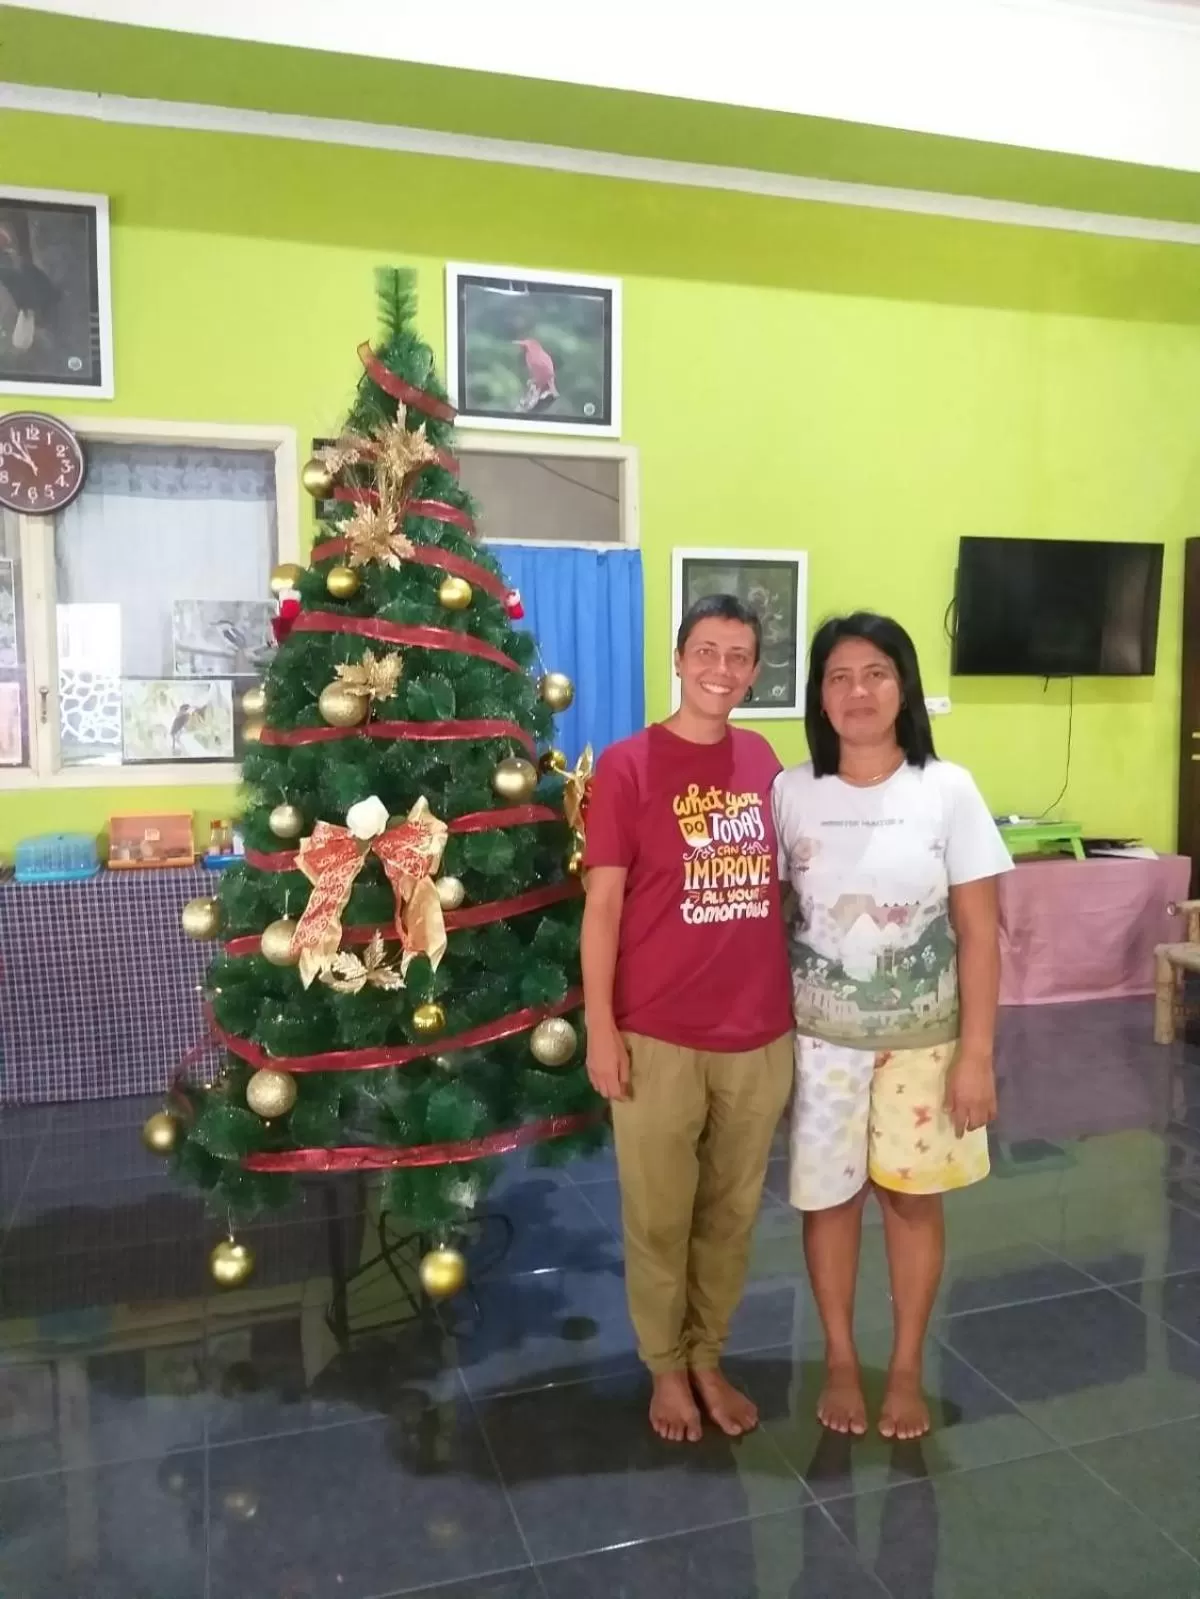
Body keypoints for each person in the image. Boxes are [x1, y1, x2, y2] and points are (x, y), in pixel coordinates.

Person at [773, 612, 1011, 1441]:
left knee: (912, 1204)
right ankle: (841, 1357)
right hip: (819, 1043)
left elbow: (980, 933)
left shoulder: (948, 789)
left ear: (903, 685)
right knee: (829, 1202)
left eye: (876, 672)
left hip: (927, 1045)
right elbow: (768, 916)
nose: (858, 691)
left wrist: (977, 1053)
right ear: (819, 694)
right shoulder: (791, 790)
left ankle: (905, 1365)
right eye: (838, 676)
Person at [582, 594, 794, 1443]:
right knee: (660, 1214)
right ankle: (664, 1366)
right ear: (678, 658)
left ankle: (708, 1352)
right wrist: (601, 1028)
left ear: (752, 669)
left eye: (738, 656)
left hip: (758, 1035)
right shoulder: (629, 767)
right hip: (657, 1034)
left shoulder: (765, 758)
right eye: (706, 651)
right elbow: (601, 910)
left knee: (733, 1213)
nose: (721, 669)